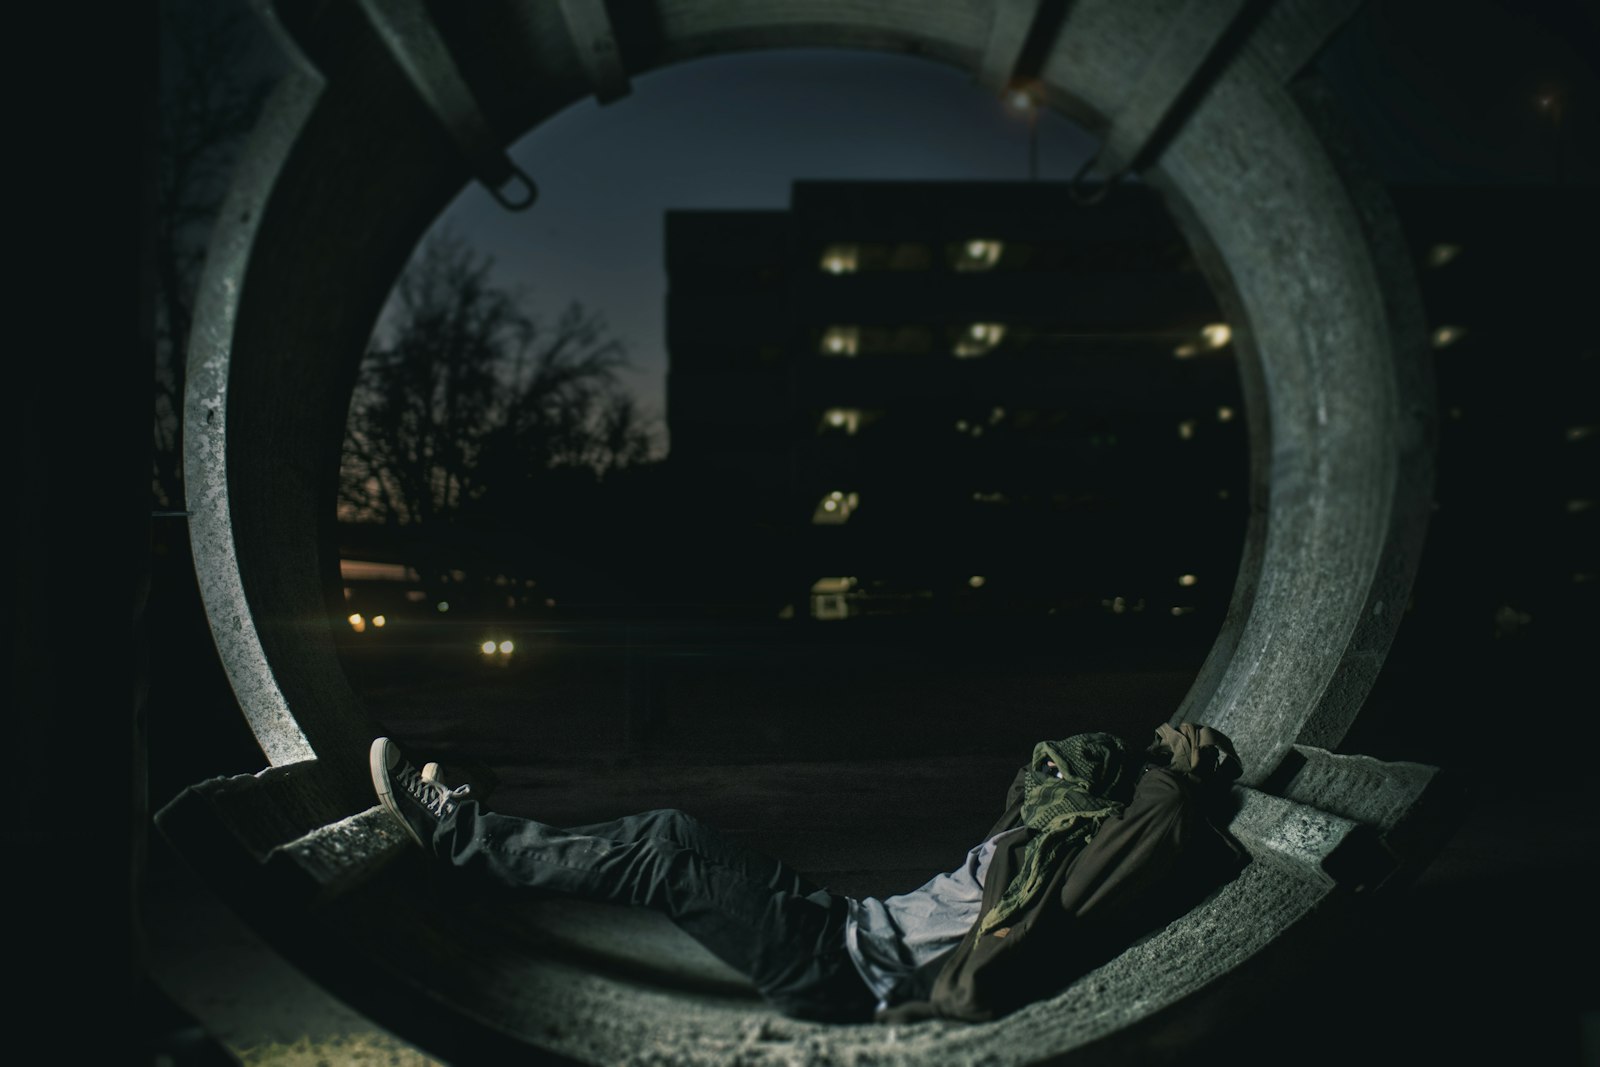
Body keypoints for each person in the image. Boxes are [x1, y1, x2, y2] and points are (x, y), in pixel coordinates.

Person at [369, 721, 1244, 1024]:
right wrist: (1124, 760)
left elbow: (1164, 818)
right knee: (674, 828)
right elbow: (1040, 772)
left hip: (844, 973)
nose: (1151, 745)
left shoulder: (1121, 843)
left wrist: (1171, 774)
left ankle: (459, 836)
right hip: (842, 920)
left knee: (668, 871)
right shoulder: (1062, 823)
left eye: (1169, 749)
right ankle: (486, 833)